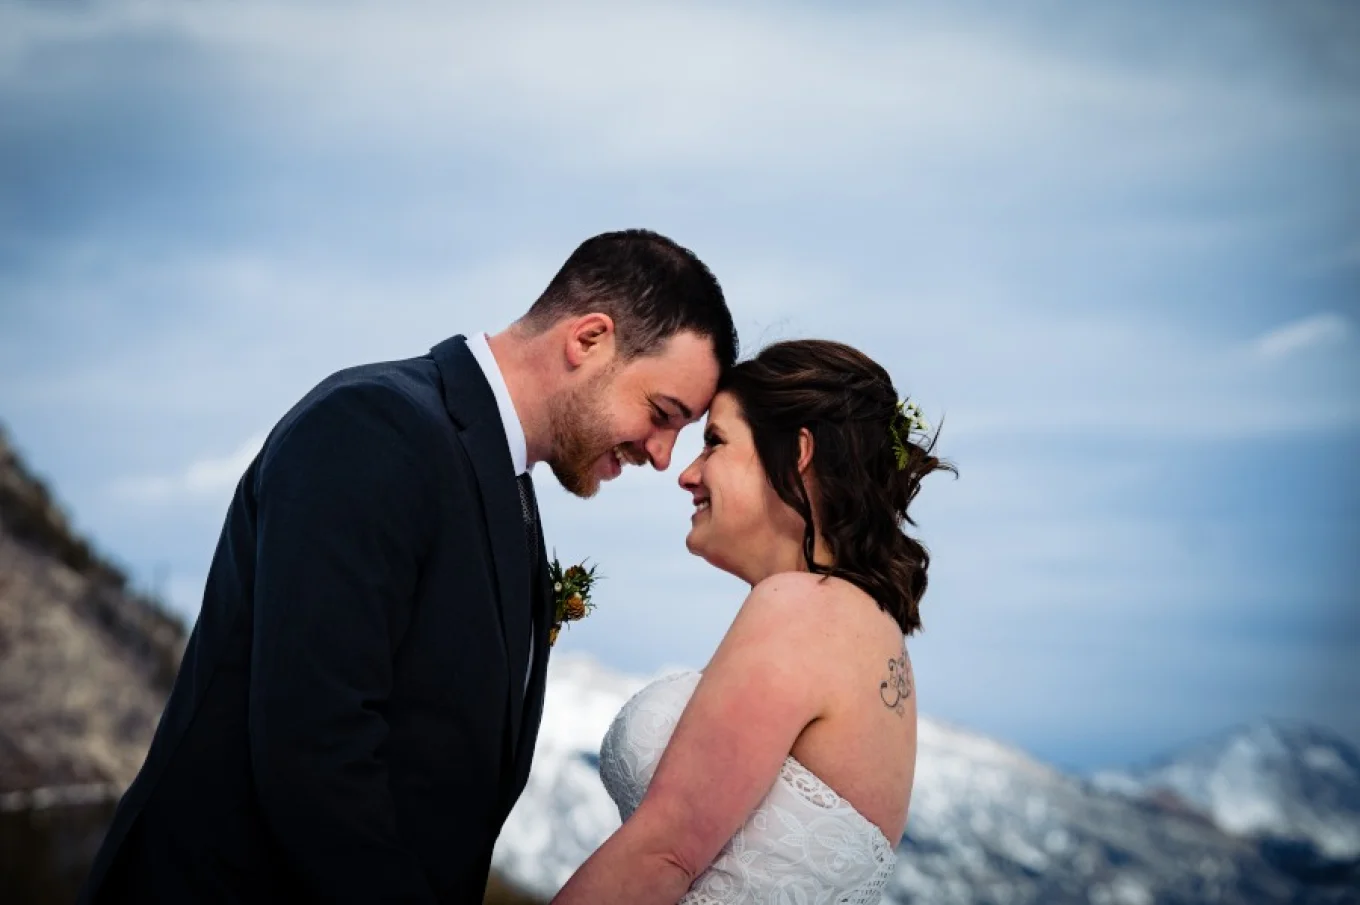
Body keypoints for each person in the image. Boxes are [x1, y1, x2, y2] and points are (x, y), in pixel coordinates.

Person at [77, 229, 738, 904]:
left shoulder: (509, 490)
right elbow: (315, 748)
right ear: (589, 339)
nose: (662, 456)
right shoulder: (370, 428)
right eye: (662, 414)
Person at [554, 339, 953, 904]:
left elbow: (662, 855)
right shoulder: (871, 629)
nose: (686, 475)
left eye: (714, 442)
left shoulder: (804, 608)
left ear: (798, 454)